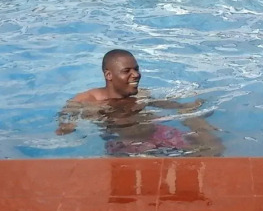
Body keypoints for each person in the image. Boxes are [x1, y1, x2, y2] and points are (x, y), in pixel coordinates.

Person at [56, 49, 224, 157]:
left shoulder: (141, 94)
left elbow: (167, 104)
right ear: (109, 75)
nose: (136, 75)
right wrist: (67, 124)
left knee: (213, 147)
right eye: (127, 71)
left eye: (136, 69)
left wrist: (190, 109)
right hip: (125, 142)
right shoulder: (89, 100)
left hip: (157, 133)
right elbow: (67, 113)